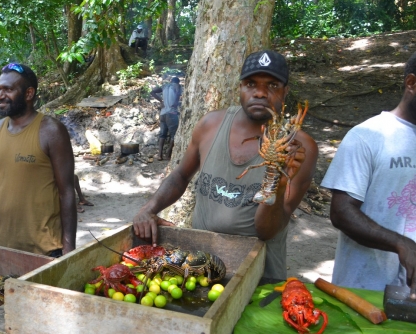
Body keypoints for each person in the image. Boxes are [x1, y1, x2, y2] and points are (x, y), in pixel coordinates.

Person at [133, 50, 318, 280]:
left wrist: (278, 184)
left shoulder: (300, 148)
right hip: (200, 266)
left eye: (272, 85)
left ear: (285, 91)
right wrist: (148, 210)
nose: (260, 92)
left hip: (258, 275)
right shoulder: (210, 124)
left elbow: (267, 230)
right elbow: (180, 176)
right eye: (251, 84)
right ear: (240, 87)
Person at [320, 53, 416, 297]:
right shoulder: (367, 136)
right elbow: (342, 213)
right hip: (364, 291)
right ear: (412, 84)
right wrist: (401, 243)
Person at [0, 63, 76, 257]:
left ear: (29, 94)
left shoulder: (51, 131)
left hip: (43, 249)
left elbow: (66, 192)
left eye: (8, 90)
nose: (0, 96)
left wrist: (69, 249)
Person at [151, 77, 182, 160]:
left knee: (162, 135)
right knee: (174, 135)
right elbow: (177, 98)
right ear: (178, 82)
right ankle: (168, 154)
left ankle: (159, 155)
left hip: (163, 114)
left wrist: (161, 101)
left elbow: (152, 92)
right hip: (171, 113)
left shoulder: (164, 86)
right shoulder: (178, 86)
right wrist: (176, 105)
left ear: (170, 81)